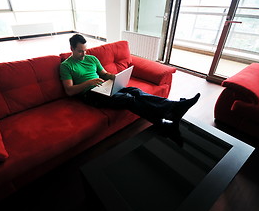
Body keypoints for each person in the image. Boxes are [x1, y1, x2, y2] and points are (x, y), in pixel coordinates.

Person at [60, 34, 200, 139]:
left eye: (85, 50)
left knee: (135, 91)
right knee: (128, 99)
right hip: (89, 95)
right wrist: (87, 83)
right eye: (80, 51)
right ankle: (167, 116)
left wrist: (113, 77)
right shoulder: (66, 66)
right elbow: (69, 91)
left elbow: (103, 73)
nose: (84, 54)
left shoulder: (91, 58)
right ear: (71, 48)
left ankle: (172, 109)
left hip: (103, 87)